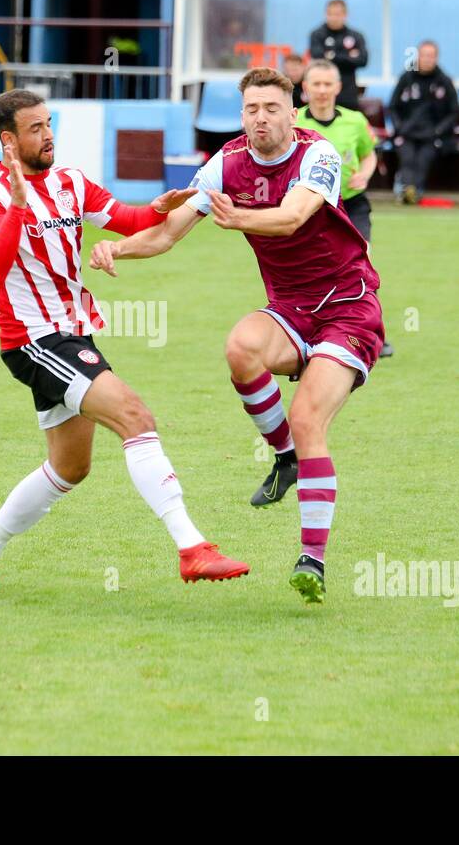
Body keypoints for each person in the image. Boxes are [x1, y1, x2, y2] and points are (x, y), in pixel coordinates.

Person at [90, 68, 385, 605]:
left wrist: (236, 219)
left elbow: (294, 218)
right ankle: (285, 458)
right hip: (291, 309)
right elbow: (168, 231)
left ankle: (312, 560)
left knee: (307, 417)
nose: (261, 119)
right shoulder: (226, 164)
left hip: (348, 307)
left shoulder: (318, 155)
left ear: (291, 114)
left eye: (272, 108)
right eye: (251, 109)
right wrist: (117, 248)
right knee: (240, 348)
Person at [0, 90, 251, 592]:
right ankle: (193, 548)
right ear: (7, 140)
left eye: (49, 124)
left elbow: (127, 220)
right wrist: (20, 208)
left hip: (70, 333)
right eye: (35, 129)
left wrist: (159, 206)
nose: (48, 136)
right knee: (135, 417)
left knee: (70, 466)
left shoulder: (69, 181)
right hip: (35, 340)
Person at [296, 60, 393, 357]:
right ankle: (308, 330)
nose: (322, 90)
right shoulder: (293, 122)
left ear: (338, 87)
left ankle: (372, 332)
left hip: (351, 203)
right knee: (310, 268)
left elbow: (368, 155)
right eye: (317, 84)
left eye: (328, 84)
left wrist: (365, 172)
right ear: (305, 88)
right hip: (312, 206)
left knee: (361, 263)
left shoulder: (355, 121)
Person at [387, 40, 458, 204]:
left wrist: (439, 131)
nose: (427, 59)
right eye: (424, 55)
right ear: (418, 56)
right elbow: (392, 107)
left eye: (431, 56)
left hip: (432, 134)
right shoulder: (406, 78)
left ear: (436, 58)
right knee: (407, 157)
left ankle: (415, 191)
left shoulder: (444, 81)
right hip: (407, 132)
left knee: (423, 159)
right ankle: (404, 189)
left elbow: (453, 111)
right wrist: (399, 127)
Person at [308, 0, 368, 111]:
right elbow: (318, 57)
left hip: (348, 95)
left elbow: (363, 60)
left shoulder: (356, 36)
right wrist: (348, 56)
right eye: (330, 14)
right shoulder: (317, 34)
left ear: (345, 15)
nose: (334, 17)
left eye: (337, 14)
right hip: (323, 95)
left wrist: (331, 55)